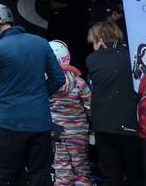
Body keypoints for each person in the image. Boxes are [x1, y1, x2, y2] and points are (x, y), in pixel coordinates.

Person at [0, 3, 65, 186]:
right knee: (40, 175)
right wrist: (40, 96)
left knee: (7, 175)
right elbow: (58, 79)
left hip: (11, 123)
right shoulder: (40, 42)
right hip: (40, 121)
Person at [86, 21, 142, 185]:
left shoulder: (92, 59)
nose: (93, 47)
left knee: (111, 177)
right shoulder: (132, 55)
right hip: (130, 125)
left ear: (100, 39)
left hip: (103, 126)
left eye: (93, 42)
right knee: (136, 175)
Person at [47, 39, 93, 186]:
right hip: (78, 133)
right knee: (81, 169)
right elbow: (90, 106)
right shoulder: (79, 82)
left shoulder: (46, 83)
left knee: (62, 170)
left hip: (57, 133)